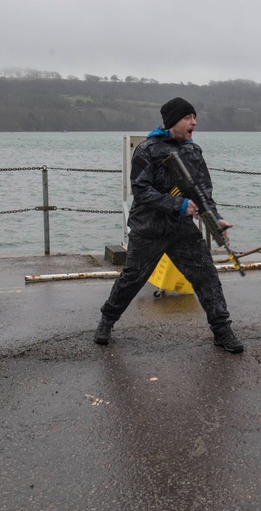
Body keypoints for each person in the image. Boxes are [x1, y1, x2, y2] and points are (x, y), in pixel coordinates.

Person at [93, 97, 244, 353]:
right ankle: (107, 320)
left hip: (181, 230)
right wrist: (179, 205)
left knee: (207, 275)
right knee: (133, 279)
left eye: (195, 117)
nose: (194, 122)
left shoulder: (193, 152)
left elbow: (203, 194)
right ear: (173, 121)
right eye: (188, 117)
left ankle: (222, 330)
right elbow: (141, 191)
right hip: (148, 228)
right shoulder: (147, 150)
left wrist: (215, 219)